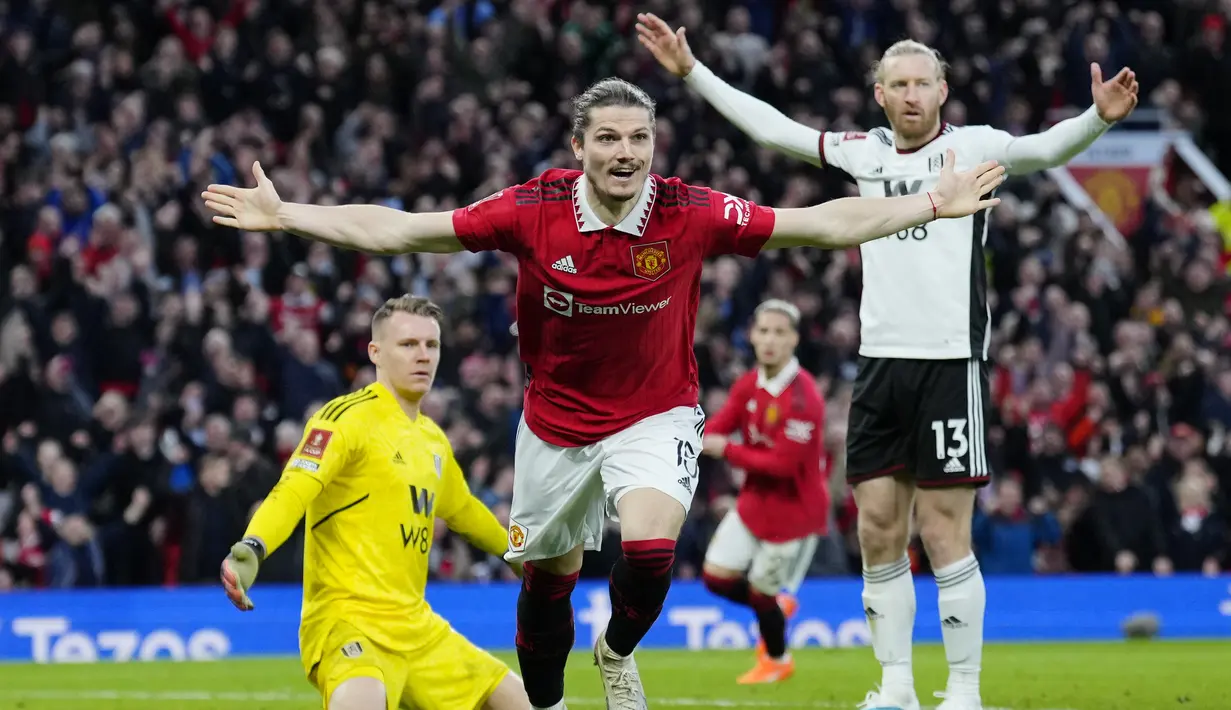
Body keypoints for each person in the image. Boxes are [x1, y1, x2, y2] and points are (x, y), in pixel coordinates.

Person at [202, 77, 1004, 710]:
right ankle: (547, 702)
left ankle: (617, 653)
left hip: (655, 415)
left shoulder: (689, 212)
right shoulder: (531, 210)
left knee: (650, 548)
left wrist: (931, 202)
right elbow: (404, 228)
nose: (627, 152)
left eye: (640, 138)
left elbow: (820, 221)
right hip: (552, 427)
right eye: (610, 138)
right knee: (546, 585)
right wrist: (288, 218)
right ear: (579, 146)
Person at [635, 15, 1139, 710]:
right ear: (878, 95)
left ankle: (962, 690)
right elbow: (771, 129)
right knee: (876, 527)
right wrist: (692, 72)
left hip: (947, 362)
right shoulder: (863, 153)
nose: (909, 95)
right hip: (878, 366)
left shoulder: (973, 148)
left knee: (942, 530)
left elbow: (1044, 150)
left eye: (920, 84)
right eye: (896, 84)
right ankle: (895, 685)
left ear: (942, 90)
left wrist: (1096, 119)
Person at [219, 295, 529, 710]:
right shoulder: (345, 418)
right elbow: (294, 489)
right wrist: (253, 548)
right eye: (408, 345)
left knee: (526, 702)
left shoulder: (431, 439)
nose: (423, 356)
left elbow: (463, 510)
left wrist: (520, 554)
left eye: (431, 345)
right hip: (347, 622)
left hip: (417, 627)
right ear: (376, 353)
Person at [698, 299, 828, 685]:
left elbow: (782, 466)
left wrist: (728, 450)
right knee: (716, 576)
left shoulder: (804, 398)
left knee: (760, 590)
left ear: (794, 341)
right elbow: (718, 428)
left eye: (779, 332)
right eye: (764, 331)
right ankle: (772, 607)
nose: (770, 340)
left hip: (794, 513)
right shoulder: (749, 383)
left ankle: (777, 659)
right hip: (754, 504)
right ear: (752, 336)